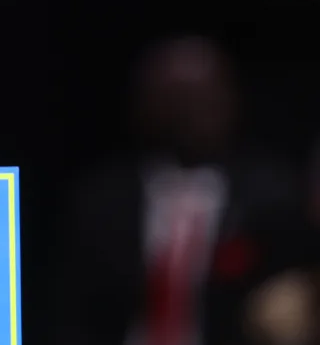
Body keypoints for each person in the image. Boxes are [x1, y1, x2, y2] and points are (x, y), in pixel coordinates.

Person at [53, 35, 317, 345]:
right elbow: (67, 310)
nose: (200, 110)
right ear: (145, 104)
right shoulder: (100, 199)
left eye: (211, 93)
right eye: (180, 96)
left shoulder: (272, 196)